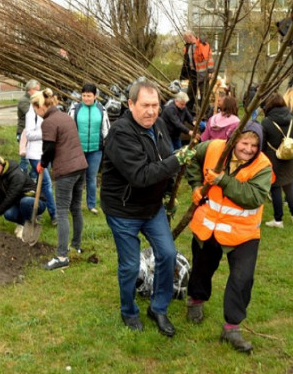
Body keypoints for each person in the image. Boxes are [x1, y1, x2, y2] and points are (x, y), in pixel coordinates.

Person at [101, 80, 187, 335]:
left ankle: (158, 308)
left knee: (168, 254)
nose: (151, 111)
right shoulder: (120, 133)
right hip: (123, 210)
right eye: (145, 105)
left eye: (155, 105)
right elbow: (140, 175)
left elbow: (164, 158)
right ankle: (128, 311)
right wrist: (177, 161)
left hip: (152, 207)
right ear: (131, 104)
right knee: (129, 265)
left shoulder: (158, 125)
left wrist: (169, 191)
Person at [185, 122, 273, 353]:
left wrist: (222, 180)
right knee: (202, 268)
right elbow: (190, 157)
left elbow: (253, 197)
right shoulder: (214, 147)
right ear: (233, 141)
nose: (249, 149)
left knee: (242, 279)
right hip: (209, 226)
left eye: (254, 145)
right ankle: (195, 301)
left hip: (244, 233)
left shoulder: (263, 166)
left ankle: (232, 327)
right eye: (244, 143)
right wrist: (195, 184)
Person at [35, 89, 88, 271]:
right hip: (81, 166)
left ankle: (62, 256)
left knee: (62, 211)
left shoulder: (48, 122)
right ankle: (76, 246)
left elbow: (49, 149)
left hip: (67, 170)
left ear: (39, 107)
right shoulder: (65, 115)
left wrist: (42, 163)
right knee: (76, 208)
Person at [0, 150, 48, 236]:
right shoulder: (0, 175)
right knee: (8, 214)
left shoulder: (16, 175)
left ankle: (27, 225)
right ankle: (22, 222)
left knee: (25, 202)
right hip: (19, 201)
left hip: (36, 202)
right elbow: (0, 195)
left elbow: (11, 197)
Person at [261, 93, 293, 227]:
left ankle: (278, 220)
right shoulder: (292, 119)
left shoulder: (266, 122)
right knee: (288, 187)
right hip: (289, 158)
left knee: (275, 188)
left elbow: (263, 143)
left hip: (272, 158)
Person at [68, 84, 111, 215]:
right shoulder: (75, 108)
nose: (86, 98)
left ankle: (91, 205)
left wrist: (106, 143)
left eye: (89, 96)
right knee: (76, 178)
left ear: (95, 96)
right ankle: (74, 204)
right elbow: (68, 128)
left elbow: (106, 128)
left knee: (91, 178)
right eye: (84, 95)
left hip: (95, 150)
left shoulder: (101, 109)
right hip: (78, 150)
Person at [21, 94, 57, 225]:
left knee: (41, 184)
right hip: (35, 155)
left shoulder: (47, 112)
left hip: (45, 153)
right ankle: (54, 214)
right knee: (47, 183)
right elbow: (29, 135)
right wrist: (47, 133)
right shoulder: (31, 114)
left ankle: (37, 210)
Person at [17, 79, 40, 172]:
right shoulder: (24, 101)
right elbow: (33, 114)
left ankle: (33, 177)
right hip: (24, 132)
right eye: (37, 90)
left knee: (36, 158)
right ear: (30, 90)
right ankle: (22, 176)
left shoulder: (35, 100)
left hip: (34, 133)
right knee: (25, 158)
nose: (39, 92)